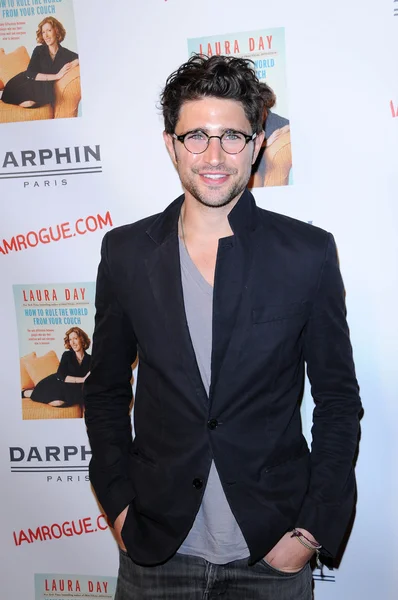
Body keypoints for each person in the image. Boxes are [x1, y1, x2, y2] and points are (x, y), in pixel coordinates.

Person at [84, 54, 362, 599]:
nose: (214, 156)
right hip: (157, 551)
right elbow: (106, 390)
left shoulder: (307, 254)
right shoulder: (124, 253)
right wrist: (117, 506)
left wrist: (309, 532)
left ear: (257, 144)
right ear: (170, 144)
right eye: (196, 137)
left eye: (232, 136)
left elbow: (337, 398)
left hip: (271, 553)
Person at [2, 17, 79, 108]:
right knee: (33, 99)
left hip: (41, 88)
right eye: (43, 32)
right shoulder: (39, 50)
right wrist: (57, 75)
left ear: (56, 31)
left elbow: (81, 57)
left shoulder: (65, 53)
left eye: (49, 30)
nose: (45, 36)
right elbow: (30, 74)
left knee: (44, 96)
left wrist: (73, 64)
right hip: (23, 82)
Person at [28, 327, 90, 408]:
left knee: (64, 401)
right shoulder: (67, 355)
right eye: (70, 340)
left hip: (72, 389)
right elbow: (61, 376)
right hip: (55, 383)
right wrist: (82, 379)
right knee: (39, 395)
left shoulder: (90, 359)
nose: (72, 342)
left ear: (82, 340)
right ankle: (25, 393)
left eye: (75, 338)